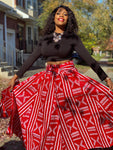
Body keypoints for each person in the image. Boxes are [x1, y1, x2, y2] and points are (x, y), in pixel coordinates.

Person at [1, 5, 113, 150]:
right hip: (48, 79)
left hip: (69, 79)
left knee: (70, 114)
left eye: (65, 14)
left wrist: (105, 77)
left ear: (68, 19)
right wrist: (16, 76)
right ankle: (49, 145)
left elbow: (88, 58)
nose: (62, 16)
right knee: (48, 116)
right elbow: (31, 59)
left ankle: (72, 143)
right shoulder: (45, 39)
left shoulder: (72, 37)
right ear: (53, 17)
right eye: (59, 13)